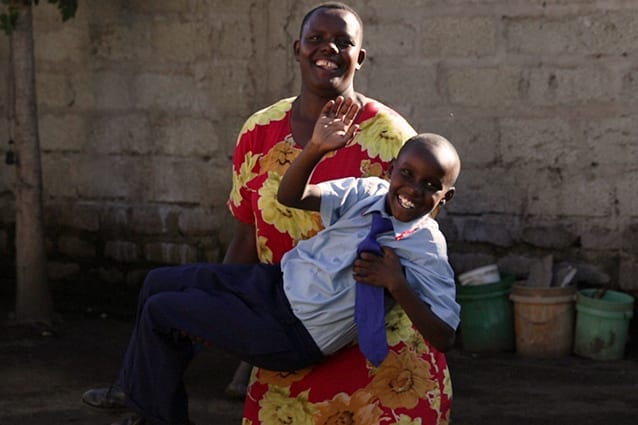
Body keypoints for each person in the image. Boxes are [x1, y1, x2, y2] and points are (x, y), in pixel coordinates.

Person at [81, 2, 444, 424]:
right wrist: (206, 322)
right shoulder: (260, 130)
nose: (328, 49)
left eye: (343, 42)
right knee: (161, 291)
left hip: (363, 344)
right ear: (297, 49)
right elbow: (246, 237)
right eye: (316, 39)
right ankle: (143, 393)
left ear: (359, 57)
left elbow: (414, 245)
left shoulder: (392, 140)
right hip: (277, 306)